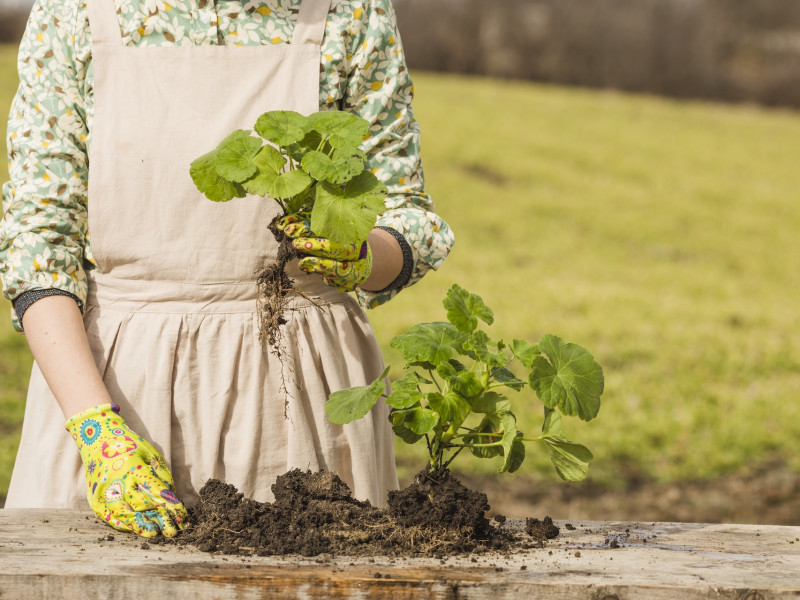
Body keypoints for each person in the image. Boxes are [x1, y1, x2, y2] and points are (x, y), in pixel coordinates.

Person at [0, 0, 454, 538]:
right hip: (111, 388)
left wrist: (360, 255)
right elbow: (39, 243)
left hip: (304, 392)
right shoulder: (72, 13)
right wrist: (97, 430)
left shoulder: (351, 13)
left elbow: (410, 219)